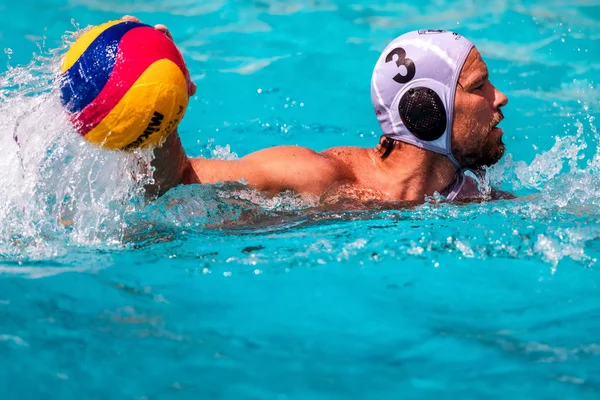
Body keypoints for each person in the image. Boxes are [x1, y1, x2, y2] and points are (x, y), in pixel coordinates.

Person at [125, 17, 510, 205]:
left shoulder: (472, 194)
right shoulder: (319, 178)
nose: (500, 97)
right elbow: (175, 184)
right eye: (479, 86)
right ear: (425, 108)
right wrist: (156, 115)